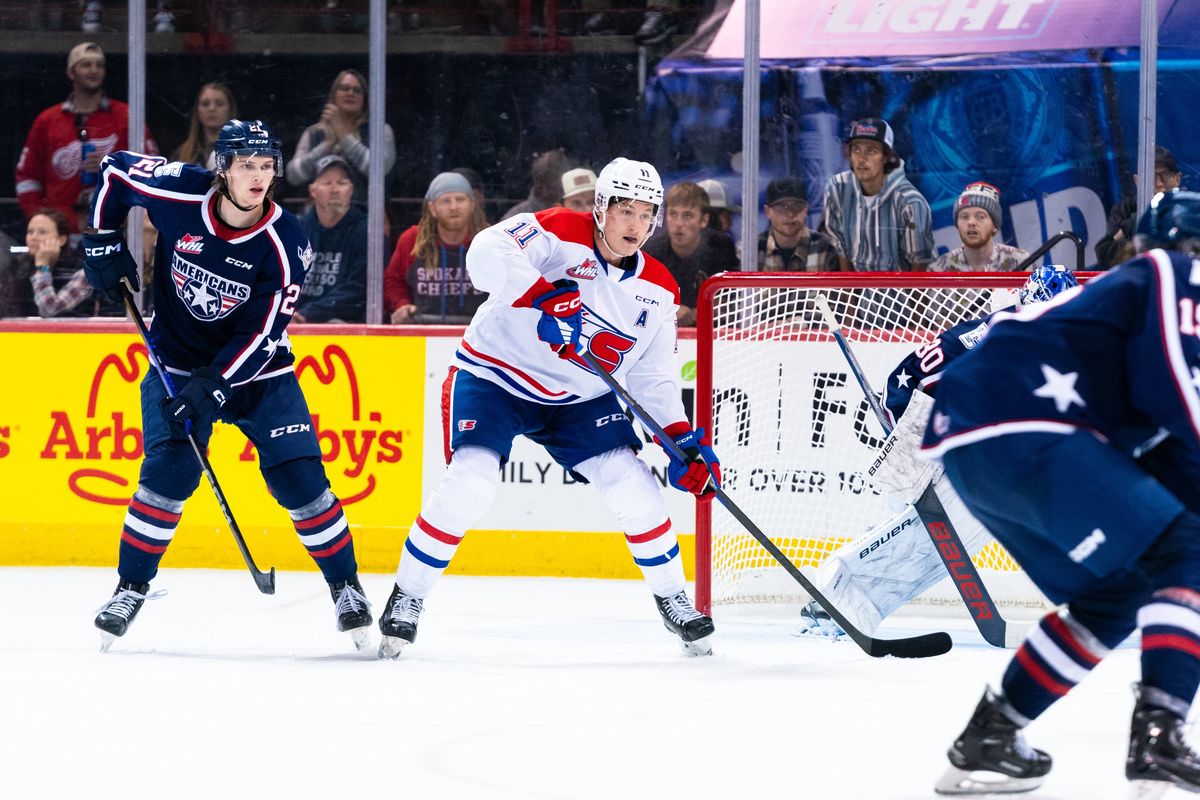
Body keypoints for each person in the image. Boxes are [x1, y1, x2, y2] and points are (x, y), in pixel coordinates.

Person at [376, 157, 720, 659]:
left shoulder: (659, 289)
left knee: (635, 487)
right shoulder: (559, 229)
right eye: (625, 210)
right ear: (601, 207)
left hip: (579, 401)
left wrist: (681, 442)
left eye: (647, 214)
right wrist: (542, 296)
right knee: (471, 481)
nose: (636, 225)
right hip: (496, 375)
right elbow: (484, 251)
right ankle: (408, 596)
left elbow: (651, 376)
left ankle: (674, 599)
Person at [921, 190, 1200, 795]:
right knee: (1183, 547)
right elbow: (1173, 391)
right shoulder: (1172, 271)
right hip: (1026, 422)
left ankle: (990, 737)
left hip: (974, 442)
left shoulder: (1131, 292)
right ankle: (1160, 735)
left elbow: (1167, 442)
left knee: (1117, 594)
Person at [81, 119, 373, 651]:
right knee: (168, 473)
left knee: (299, 481)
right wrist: (101, 239)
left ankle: (346, 587)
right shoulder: (178, 191)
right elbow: (114, 171)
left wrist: (214, 384)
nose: (258, 177)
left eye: (267, 167)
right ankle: (129, 588)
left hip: (260, 375)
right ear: (223, 169)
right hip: (175, 366)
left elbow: (263, 332)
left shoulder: (287, 241)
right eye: (247, 166)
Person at [798, 266, 1079, 640]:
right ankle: (834, 594)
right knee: (931, 527)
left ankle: (838, 600)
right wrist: (907, 432)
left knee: (926, 534)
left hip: (963, 445)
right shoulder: (993, 334)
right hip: (924, 436)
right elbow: (909, 373)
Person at [15, 42, 159, 234]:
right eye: (86, 65)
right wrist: (40, 221)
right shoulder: (48, 120)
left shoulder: (127, 116)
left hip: (115, 229)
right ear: (71, 72)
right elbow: (27, 178)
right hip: (61, 233)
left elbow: (154, 171)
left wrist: (112, 167)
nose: (94, 70)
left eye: (99, 65)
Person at [821, 117, 933, 272]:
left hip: (902, 291)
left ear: (886, 156)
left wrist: (907, 297)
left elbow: (920, 265)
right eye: (856, 149)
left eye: (871, 151)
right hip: (860, 289)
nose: (861, 159)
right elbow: (842, 249)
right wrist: (851, 296)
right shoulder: (837, 188)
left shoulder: (910, 202)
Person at [384, 171, 489, 324]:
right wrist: (402, 304)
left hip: (479, 335)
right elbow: (393, 280)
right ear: (432, 208)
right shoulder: (413, 239)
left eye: (460, 199)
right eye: (445, 201)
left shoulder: (489, 240)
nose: (454, 207)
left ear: (472, 204)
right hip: (422, 333)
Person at [285, 69, 397, 209]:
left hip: (365, 215)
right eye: (344, 88)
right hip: (320, 217)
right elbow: (293, 176)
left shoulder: (380, 130)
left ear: (365, 98)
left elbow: (379, 170)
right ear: (334, 95)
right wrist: (325, 147)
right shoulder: (314, 132)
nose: (351, 93)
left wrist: (344, 137)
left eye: (357, 90)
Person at [643, 180, 739, 325]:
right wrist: (668, 309)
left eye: (687, 216)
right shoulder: (651, 252)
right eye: (673, 214)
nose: (679, 223)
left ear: (704, 220)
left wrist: (698, 313)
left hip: (713, 335)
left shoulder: (721, 246)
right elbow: (638, 300)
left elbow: (731, 300)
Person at [294, 155, 367, 323]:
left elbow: (357, 289)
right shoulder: (295, 229)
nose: (335, 190)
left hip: (344, 323)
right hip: (293, 319)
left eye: (342, 183)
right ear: (313, 190)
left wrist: (307, 314)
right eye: (327, 183)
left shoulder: (366, 231)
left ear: (352, 189)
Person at [1094, 146, 1183, 269]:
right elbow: (1105, 256)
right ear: (1137, 181)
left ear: (1177, 179)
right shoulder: (1126, 208)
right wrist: (1134, 223)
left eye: (1166, 175)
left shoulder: (1187, 208)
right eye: (1151, 176)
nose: (1159, 183)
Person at [27, 208, 121, 318]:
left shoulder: (85, 271)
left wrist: (43, 268)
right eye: (30, 232)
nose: (33, 237)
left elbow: (50, 310)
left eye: (42, 232)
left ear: (61, 240)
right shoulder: (18, 266)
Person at [929, 182, 1029, 272]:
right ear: (957, 225)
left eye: (980, 217)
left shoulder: (1020, 261)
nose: (971, 222)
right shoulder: (938, 269)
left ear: (994, 225)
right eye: (964, 217)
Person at [757, 176, 838, 271]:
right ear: (768, 212)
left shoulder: (826, 249)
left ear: (806, 210)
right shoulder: (751, 250)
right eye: (781, 208)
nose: (790, 214)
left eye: (797, 206)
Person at [171, 82, 238, 170]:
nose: (212, 108)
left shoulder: (243, 152)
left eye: (219, 104)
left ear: (230, 109)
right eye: (205, 104)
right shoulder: (182, 154)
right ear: (197, 110)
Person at [501, 148, 574, 220]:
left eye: (561, 186)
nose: (560, 192)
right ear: (538, 183)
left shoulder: (577, 212)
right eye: (553, 187)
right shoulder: (516, 219)